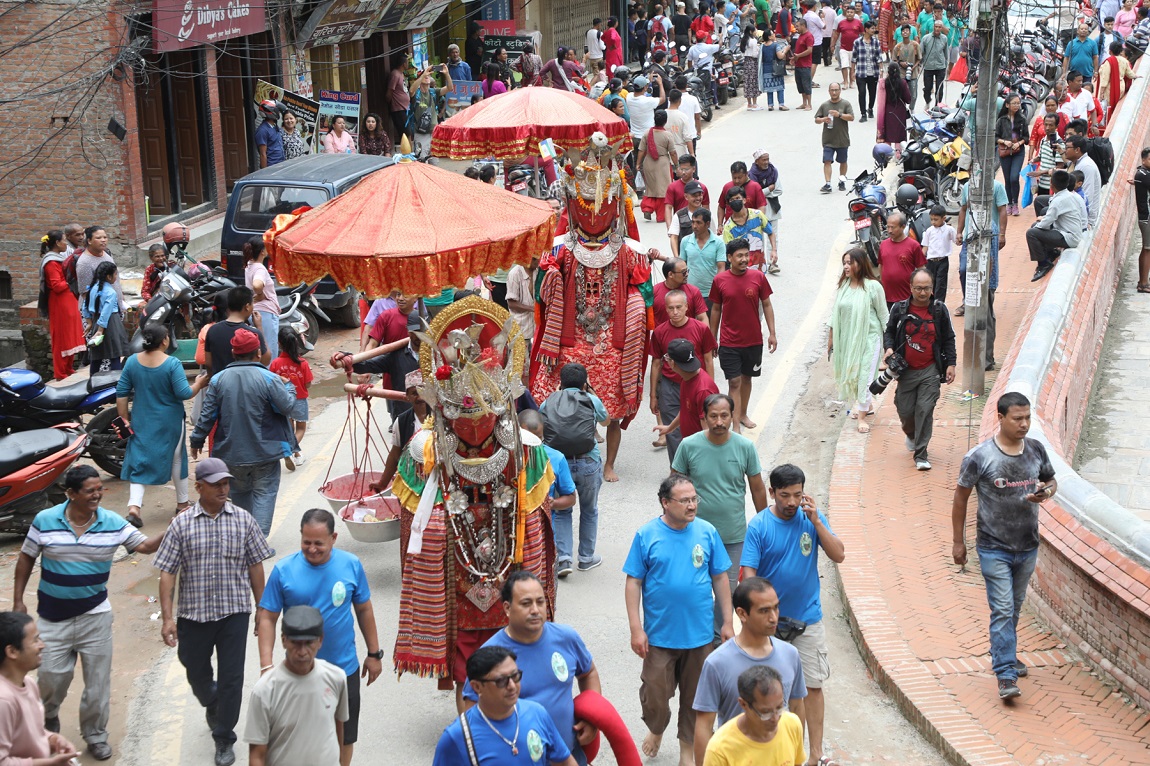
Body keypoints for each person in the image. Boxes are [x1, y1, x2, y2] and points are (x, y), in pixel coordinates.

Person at [12, 464, 163, 761]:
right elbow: (26, 557)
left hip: (95, 615)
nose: (97, 495)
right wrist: (19, 600)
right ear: (70, 494)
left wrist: (173, 528)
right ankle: (47, 722)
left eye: (99, 490)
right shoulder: (46, 520)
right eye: (90, 491)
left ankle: (95, 734)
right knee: (51, 677)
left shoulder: (112, 522)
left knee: (97, 683)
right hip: (52, 617)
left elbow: (143, 546)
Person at [154, 457, 273, 766]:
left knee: (232, 678)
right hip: (194, 615)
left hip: (234, 612)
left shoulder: (243, 520)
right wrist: (168, 618)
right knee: (195, 670)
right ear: (198, 488)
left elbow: (255, 566)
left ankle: (224, 737)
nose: (223, 489)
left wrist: (262, 609)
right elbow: (167, 571)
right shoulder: (181, 524)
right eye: (216, 484)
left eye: (226, 483)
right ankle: (212, 700)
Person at [952, 392, 1057, 700]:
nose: (1024, 424)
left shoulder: (1036, 450)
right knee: (1002, 608)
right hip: (993, 547)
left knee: (1013, 607)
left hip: (1027, 545)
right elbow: (960, 499)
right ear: (1000, 418)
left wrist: (1045, 493)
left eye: (1027, 418)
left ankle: (1004, 652)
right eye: (1017, 418)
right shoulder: (980, 457)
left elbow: (1051, 481)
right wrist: (958, 542)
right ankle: (1006, 675)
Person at [257, 509, 381, 766]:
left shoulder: (351, 565)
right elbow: (267, 618)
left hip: (344, 669)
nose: (312, 549)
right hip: (299, 672)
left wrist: (373, 654)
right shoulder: (283, 570)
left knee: (345, 736)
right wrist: (266, 665)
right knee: (300, 736)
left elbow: (364, 609)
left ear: (334, 538)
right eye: (306, 542)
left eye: (318, 544)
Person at [624, 474, 734, 764]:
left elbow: (720, 577)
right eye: (684, 500)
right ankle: (657, 728)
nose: (691, 505)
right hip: (660, 636)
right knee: (655, 696)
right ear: (665, 503)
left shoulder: (707, 532)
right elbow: (633, 582)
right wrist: (637, 629)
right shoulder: (646, 535)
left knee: (695, 698)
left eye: (694, 498)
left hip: (699, 636)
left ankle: (687, 749)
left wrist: (727, 622)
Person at [740, 464, 845, 766]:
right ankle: (787, 755)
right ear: (771, 493)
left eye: (797, 495)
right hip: (770, 627)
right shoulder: (759, 526)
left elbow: (838, 554)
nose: (791, 502)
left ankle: (815, 754)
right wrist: (754, 619)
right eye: (784, 495)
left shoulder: (811, 520)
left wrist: (817, 522)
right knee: (776, 692)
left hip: (808, 620)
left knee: (812, 687)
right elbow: (749, 574)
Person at [460, 572, 601, 764]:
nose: (535, 610)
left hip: (568, 756)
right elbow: (471, 712)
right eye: (526, 603)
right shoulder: (490, 656)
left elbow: (588, 673)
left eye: (540, 602)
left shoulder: (567, 638)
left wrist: (593, 718)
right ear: (507, 608)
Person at [672, 392, 767, 637]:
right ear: (704, 417)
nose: (719, 421)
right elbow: (674, 486)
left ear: (732, 415)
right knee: (695, 586)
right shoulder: (689, 445)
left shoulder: (744, 447)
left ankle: (716, 637)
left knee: (729, 591)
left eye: (724, 415)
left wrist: (766, 523)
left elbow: (757, 487)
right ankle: (696, 634)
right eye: (713, 416)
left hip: (733, 535)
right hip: (695, 535)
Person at [190, 328, 297, 536]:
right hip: (265, 452)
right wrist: (290, 387)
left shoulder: (218, 379)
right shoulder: (270, 379)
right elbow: (287, 407)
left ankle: (246, 536)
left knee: (239, 493)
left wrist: (196, 440)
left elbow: (207, 415)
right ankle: (258, 539)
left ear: (233, 353)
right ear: (258, 353)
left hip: (231, 453)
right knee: (265, 493)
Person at [692, 578, 806, 763]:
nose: (774, 617)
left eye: (775, 608)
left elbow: (797, 707)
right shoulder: (717, 663)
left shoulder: (790, 654)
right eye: (764, 611)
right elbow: (704, 725)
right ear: (742, 614)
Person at [116, 323, 208, 526]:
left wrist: (124, 420)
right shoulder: (172, 364)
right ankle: (182, 503)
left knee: (139, 461)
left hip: (141, 419)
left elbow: (121, 393)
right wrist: (199, 383)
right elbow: (184, 393)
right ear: (164, 340)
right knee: (177, 460)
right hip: (170, 421)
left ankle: (134, 508)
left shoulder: (132, 362)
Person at [434, 646, 577, 765]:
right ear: (477, 687)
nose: (512, 686)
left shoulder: (537, 713)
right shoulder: (456, 737)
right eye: (501, 681)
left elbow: (565, 762)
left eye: (515, 676)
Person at [246, 606, 349, 766]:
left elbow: (338, 729)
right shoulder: (265, 690)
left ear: (320, 640)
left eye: (309, 643)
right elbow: (257, 755)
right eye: (296, 643)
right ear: (283, 640)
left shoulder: (336, 678)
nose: (302, 652)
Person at [540, 363, 610, 576]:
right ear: (584, 383)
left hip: (559, 463)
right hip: (588, 461)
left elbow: (541, 421)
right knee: (589, 510)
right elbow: (606, 422)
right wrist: (593, 395)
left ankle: (564, 559)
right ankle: (586, 558)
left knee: (561, 509)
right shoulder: (591, 399)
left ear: (560, 382)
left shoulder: (549, 400)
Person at [883, 268, 957, 470]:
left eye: (926, 288)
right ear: (910, 287)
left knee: (925, 409)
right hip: (906, 371)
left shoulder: (939, 310)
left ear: (932, 288)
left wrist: (951, 363)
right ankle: (912, 434)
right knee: (905, 410)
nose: (923, 293)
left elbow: (949, 338)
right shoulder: (899, 309)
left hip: (930, 370)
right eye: (918, 288)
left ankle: (921, 454)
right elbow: (889, 331)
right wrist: (889, 348)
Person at [709, 240, 777, 432]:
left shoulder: (758, 277)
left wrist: (772, 333)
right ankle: (735, 423)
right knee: (734, 381)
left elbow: (767, 304)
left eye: (746, 255)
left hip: (754, 340)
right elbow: (716, 309)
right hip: (729, 342)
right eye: (739, 256)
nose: (744, 259)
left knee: (747, 379)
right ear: (729, 258)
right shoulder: (720, 280)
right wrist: (713, 338)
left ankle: (743, 413)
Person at [0, 612, 80, 765]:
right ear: (12, 652)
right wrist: (48, 764)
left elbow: (32, 732)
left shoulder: (28, 683)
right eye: (35, 640)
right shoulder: (4, 701)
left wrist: (53, 739)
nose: (42, 645)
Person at [650, 296, 718, 462]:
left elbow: (708, 360)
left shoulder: (701, 328)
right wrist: (653, 395)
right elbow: (656, 363)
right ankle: (677, 469)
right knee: (674, 435)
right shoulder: (660, 332)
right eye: (671, 308)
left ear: (687, 307)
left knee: (698, 428)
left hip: (696, 385)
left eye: (679, 307)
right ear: (665, 309)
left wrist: (710, 393)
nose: (675, 312)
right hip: (669, 385)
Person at [828, 248, 888, 431]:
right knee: (853, 374)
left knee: (865, 376)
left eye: (850, 262)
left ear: (860, 264)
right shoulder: (844, 286)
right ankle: (867, 405)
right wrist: (831, 338)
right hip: (848, 340)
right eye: (844, 263)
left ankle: (862, 416)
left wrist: (890, 345)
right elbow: (835, 314)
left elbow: (884, 316)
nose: (846, 266)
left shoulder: (873, 287)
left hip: (870, 338)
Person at [700, 665, 805, 766]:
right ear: (743, 704)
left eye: (779, 708)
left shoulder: (792, 725)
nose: (775, 718)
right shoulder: (720, 749)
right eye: (766, 712)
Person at [37, 230, 84, 380]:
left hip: (68, 301)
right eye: (64, 240)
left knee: (70, 335)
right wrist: (71, 279)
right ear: (57, 243)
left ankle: (68, 368)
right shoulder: (51, 262)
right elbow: (56, 286)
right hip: (60, 303)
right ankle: (60, 372)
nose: (66, 243)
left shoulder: (58, 258)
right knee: (61, 337)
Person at [1026, 169, 1087, 282]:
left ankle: (1043, 264)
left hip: (1069, 237)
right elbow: (1052, 217)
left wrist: (1037, 225)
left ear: (1052, 185)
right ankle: (1051, 252)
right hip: (1067, 231)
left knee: (1032, 233)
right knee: (1036, 226)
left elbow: (1046, 223)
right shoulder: (1068, 195)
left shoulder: (1059, 200)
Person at [269, 327, 313, 467]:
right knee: (300, 428)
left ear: (279, 343)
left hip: (282, 400)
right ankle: (290, 451)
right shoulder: (303, 363)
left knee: (289, 429)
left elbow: (271, 382)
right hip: (299, 400)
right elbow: (308, 384)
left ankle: (296, 454)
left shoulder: (275, 363)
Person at [204, 286, 269, 377]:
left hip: (221, 385)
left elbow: (208, 363)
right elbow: (265, 360)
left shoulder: (212, 330)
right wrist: (259, 327)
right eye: (252, 304)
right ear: (247, 306)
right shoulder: (252, 333)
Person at [82, 261, 126, 375]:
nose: (116, 277)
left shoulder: (92, 288)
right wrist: (101, 330)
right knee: (114, 355)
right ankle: (115, 382)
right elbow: (106, 312)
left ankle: (93, 381)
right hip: (111, 324)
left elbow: (84, 305)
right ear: (109, 276)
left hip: (97, 322)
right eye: (115, 274)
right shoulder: (111, 292)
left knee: (97, 356)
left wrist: (90, 323)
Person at [878, 211, 926, 308]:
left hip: (907, 298)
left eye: (893, 227)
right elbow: (881, 265)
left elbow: (921, 268)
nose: (889, 230)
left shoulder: (913, 245)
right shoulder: (883, 245)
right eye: (888, 227)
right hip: (887, 297)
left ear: (903, 227)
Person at [638, 110, 679, 222]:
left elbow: (641, 150)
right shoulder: (667, 135)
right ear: (665, 121)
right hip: (662, 164)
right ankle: (661, 216)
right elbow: (673, 153)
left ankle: (647, 207)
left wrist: (638, 164)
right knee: (663, 190)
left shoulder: (647, 133)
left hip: (648, 162)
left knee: (651, 188)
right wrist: (677, 165)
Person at [814, 82, 854, 193]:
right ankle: (828, 184)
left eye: (836, 90)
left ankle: (842, 180)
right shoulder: (824, 105)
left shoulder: (845, 104)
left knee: (843, 161)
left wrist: (839, 115)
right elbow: (816, 119)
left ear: (840, 90)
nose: (834, 92)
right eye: (832, 90)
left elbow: (851, 117)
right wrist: (823, 119)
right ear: (829, 91)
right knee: (827, 161)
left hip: (842, 139)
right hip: (828, 140)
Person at [244, 235, 279, 360]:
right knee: (269, 349)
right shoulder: (260, 268)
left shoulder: (249, 265)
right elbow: (257, 285)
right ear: (262, 252)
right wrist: (259, 294)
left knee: (261, 347)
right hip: (265, 313)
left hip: (257, 312)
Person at [683, 208, 728, 304]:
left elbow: (721, 268)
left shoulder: (718, 243)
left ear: (707, 224)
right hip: (690, 292)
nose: (694, 226)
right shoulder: (685, 241)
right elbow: (681, 264)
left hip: (710, 294)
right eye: (693, 222)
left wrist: (716, 289)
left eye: (699, 223)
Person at [996, 95, 1029, 215]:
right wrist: (1005, 142)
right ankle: (1009, 203)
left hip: (1018, 152)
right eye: (1014, 103)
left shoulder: (1022, 119)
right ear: (1007, 105)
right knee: (1007, 179)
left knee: (1014, 177)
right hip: (1004, 152)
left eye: (1018, 103)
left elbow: (1026, 137)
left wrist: (1019, 143)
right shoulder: (1001, 120)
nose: (1016, 105)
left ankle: (1015, 203)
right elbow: (995, 137)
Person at [748, 150, 783, 262]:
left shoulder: (773, 172)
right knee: (758, 237)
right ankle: (760, 262)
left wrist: (762, 193)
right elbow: (754, 193)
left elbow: (778, 190)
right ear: (757, 161)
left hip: (772, 209)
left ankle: (773, 261)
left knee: (773, 235)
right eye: (764, 160)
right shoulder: (751, 175)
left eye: (768, 159)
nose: (767, 162)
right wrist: (769, 189)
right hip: (758, 210)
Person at [921, 206, 956, 302]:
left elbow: (956, 240)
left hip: (943, 261)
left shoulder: (949, 230)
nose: (933, 222)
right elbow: (925, 246)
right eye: (931, 219)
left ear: (943, 218)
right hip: (930, 262)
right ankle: (930, 303)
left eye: (936, 220)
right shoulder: (929, 231)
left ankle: (939, 304)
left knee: (941, 283)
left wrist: (960, 239)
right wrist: (920, 260)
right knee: (930, 283)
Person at [717, 162, 767, 230]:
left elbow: (761, 207)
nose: (737, 181)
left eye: (739, 177)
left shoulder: (755, 187)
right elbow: (721, 206)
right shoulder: (727, 187)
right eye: (734, 178)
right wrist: (720, 224)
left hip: (751, 228)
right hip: (731, 229)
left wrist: (758, 223)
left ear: (746, 174)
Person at [1065, 135, 1101, 228]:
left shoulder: (1086, 166)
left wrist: (1086, 222)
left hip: (1084, 217)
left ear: (1077, 150)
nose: (1065, 151)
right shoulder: (1078, 163)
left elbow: (1088, 195)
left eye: (1067, 148)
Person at [1128, 146, 1150, 294]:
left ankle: (1143, 282)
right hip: (1147, 217)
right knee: (1148, 249)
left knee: (1147, 249)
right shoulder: (1143, 175)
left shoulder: (1142, 174)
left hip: (1145, 216)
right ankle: (1143, 283)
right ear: (1143, 159)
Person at [1097, 41, 1137, 122]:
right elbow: (1130, 73)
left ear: (1110, 51)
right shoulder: (1125, 61)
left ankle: (1107, 123)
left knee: (1107, 107)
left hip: (1110, 89)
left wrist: (1101, 94)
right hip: (1120, 87)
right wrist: (1136, 76)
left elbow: (1105, 78)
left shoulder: (1108, 61)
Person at [852, 21, 882, 121]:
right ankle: (863, 113)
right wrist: (852, 72)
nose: (874, 30)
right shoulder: (857, 42)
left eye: (874, 28)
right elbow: (854, 58)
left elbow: (879, 57)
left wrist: (881, 70)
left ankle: (870, 108)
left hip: (873, 72)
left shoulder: (876, 42)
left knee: (872, 92)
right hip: (861, 72)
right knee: (862, 92)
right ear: (866, 29)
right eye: (872, 28)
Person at [412, 66, 452, 135]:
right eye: (424, 75)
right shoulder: (417, 93)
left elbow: (450, 88)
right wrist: (423, 74)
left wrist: (447, 74)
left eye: (428, 75)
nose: (427, 76)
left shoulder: (433, 92)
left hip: (434, 131)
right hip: (420, 132)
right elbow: (411, 91)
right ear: (419, 79)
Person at [832, 4, 864, 88]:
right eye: (848, 12)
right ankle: (845, 82)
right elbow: (836, 34)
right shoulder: (841, 23)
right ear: (846, 13)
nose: (849, 13)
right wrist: (833, 45)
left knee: (852, 66)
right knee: (844, 65)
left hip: (855, 48)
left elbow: (863, 34)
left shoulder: (858, 23)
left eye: (851, 12)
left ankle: (851, 82)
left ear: (854, 13)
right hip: (843, 47)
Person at [919, 14, 948, 106]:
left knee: (939, 88)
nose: (937, 29)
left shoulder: (944, 38)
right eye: (936, 27)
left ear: (941, 28)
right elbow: (920, 52)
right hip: (928, 66)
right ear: (933, 27)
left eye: (940, 27)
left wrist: (946, 66)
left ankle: (937, 106)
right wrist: (920, 63)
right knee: (928, 88)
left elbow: (946, 53)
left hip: (940, 67)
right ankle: (927, 101)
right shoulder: (925, 38)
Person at [892, 24, 922, 111]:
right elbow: (894, 60)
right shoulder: (898, 47)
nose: (905, 32)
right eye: (903, 31)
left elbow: (919, 59)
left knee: (914, 95)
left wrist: (913, 67)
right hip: (901, 74)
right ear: (901, 33)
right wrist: (900, 63)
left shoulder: (915, 45)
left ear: (910, 33)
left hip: (913, 74)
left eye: (907, 30)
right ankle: (903, 109)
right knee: (901, 93)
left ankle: (911, 108)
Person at [759, 29, 789, 111]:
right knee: (779, 87)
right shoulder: (776, 46)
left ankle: (770, 105)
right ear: (769, 36)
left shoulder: (762, 46)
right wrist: (785, 50)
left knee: (769, 89)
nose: (774, 34)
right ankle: (781, 104)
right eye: (772, 34)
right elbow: (780, 56)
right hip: (776, 69)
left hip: (766, 69)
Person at [792, 18, 815, 110]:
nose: (796, 28)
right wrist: (794, 58)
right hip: (798, 64)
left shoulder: (809, 36)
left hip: (805, 65)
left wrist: (798, 56)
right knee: (800, 84)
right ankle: (804, 103)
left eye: (797, 26)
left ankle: (809, 104)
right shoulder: (800, 36)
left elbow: (809, 50)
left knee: (806, 84)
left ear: (803, 26)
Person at [388, 53, 412, 140]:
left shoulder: (402, 74)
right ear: (404, 64)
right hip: (399, 108)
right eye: (407, 62)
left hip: (405, 108)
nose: (408, 64)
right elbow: (390, 91)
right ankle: (407, 152)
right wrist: (391, 103)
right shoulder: (395, 74)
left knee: (409, 132)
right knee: (405, 133)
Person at [255, 100, 284, 168]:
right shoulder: (262, 130)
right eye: (278, 111)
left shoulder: (274, 127)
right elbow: (262, 154)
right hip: (272, 166)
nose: (279, 113)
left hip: (280, 164)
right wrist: (265, 173)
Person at [741, 26, 762, 110]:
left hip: (746, 62)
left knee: (748, 82)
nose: (756, 32)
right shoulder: (753, 41)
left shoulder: (744, 40)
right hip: (752, 62)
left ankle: (749, 104)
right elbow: (754, 54)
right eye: (755, 31)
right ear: (750, 31)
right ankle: (755, 103)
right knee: (753, 82)